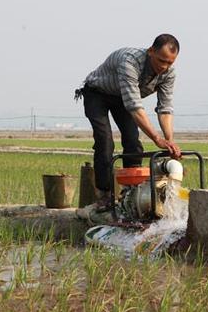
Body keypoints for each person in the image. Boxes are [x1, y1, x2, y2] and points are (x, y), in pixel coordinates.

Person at [74, 34, 182, 216]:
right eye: (161, 60)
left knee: (133, 142)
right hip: (98, 93)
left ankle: (131, 194)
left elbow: (164, 108)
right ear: (151, 52)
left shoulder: (168, 74)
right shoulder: (130, 62)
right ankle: (104, 195)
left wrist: (169, 142)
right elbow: (134, 105)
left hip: (121, 98)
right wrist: (156, 138)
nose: (164, 67)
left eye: (169, 63)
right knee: (105, 140)